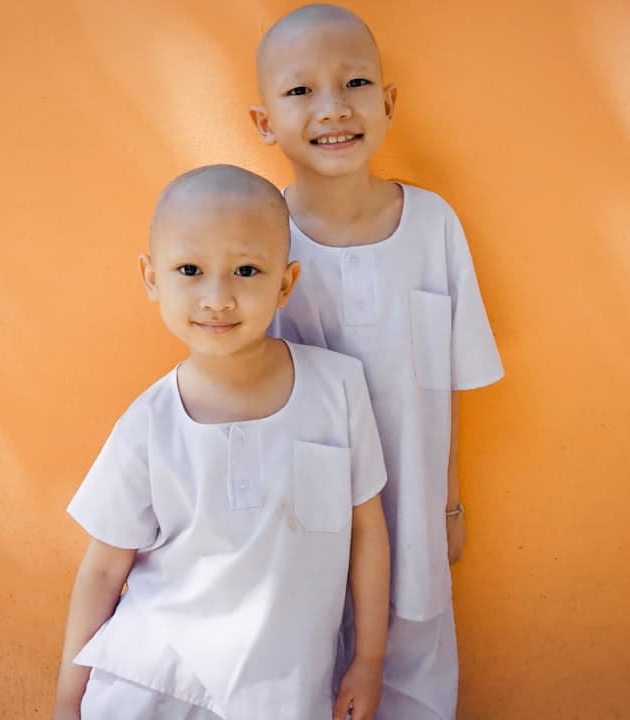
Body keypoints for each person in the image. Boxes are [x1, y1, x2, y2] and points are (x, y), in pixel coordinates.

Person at [53, 164, 391, 720]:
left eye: (246, 270)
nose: (217, 297)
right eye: (189, 268)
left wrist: (369, 661)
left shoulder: (340, 388)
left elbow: (368, 533)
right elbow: (103, 569)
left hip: (283, 696)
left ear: (285, 283)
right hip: (151, 689)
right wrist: (69, 698)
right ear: (151, 277)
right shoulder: (150, 424)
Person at [250, 6, 505, 718]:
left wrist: (450, 503)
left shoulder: (433, 226)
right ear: (263, 120)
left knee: (414, 680)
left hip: (415, 512)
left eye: (355, 82)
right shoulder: (262, 232)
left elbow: (451, 381)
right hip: (303, 524)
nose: (333, 107)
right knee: (309, 675)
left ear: (388, 105)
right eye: (300, 91)